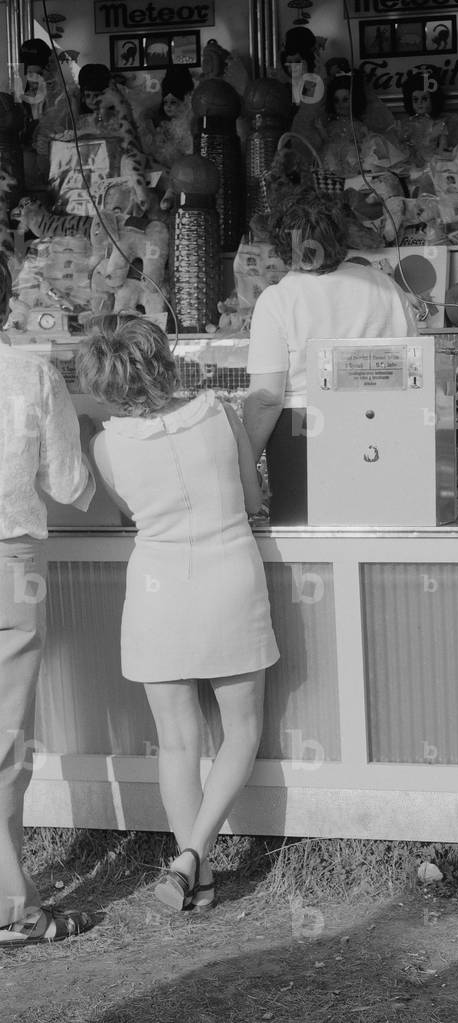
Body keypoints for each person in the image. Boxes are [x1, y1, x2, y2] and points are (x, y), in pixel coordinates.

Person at [77, 315, 279, 912]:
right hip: (230, 576)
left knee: (176, 743)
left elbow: (126, 512)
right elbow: (252, 496)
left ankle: (196, 869)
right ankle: (193, 857)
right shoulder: (218, 412)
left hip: (156, 589)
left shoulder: (105, 444)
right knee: (241, 730)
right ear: (162, 360)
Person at [0, 254, 96, 944]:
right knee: (5, 740)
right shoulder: (30, 373)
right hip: (12, 561)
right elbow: (68, 484)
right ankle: (14, 909)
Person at [243, 188, 418, 524]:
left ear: (282, 245)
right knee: (379, 535)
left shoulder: (279, 299)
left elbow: (266, 399)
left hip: (303, 435)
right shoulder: (386, 288)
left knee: (310, 547)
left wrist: (243, 463)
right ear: (340, 236)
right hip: (382, 430)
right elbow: (414, 377)